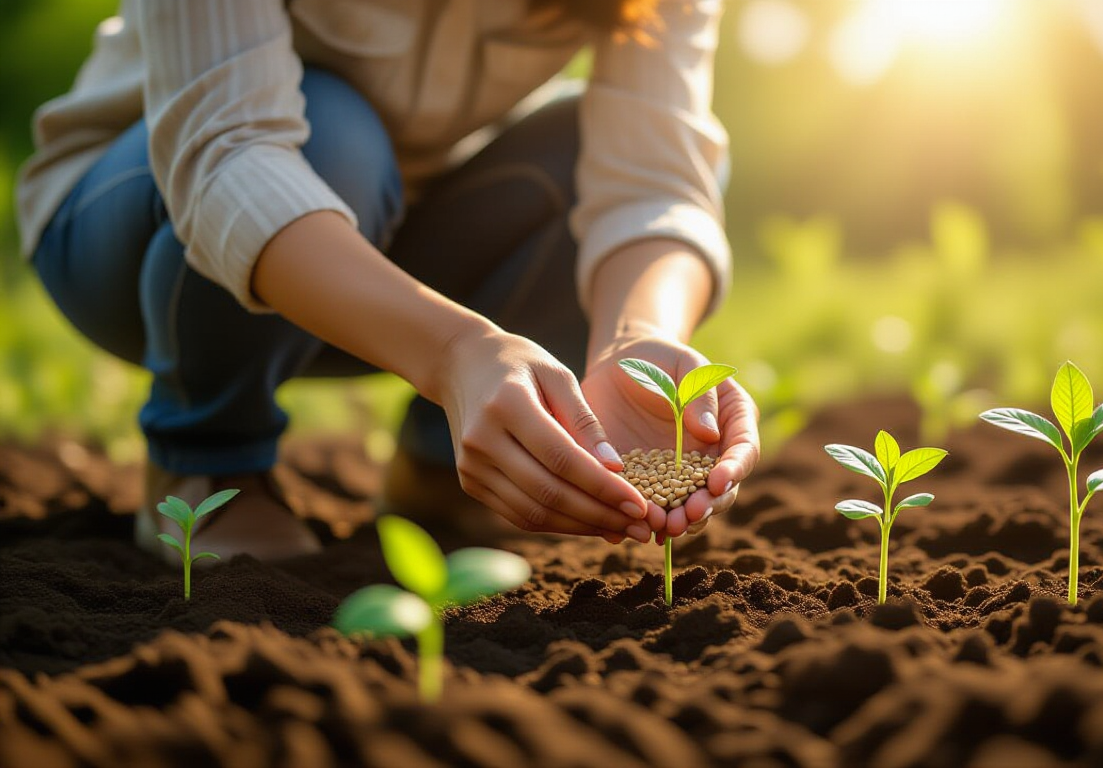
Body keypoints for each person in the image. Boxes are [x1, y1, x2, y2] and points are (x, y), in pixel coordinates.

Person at [15, 0, 759, 560]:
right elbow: (229, 160)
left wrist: (641, 338)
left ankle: (443, 470)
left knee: (573, 146)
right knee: (334, 128)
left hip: (395, 232)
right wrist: (453, 351)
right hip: (140, 232)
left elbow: (657, 182)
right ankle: (204, 460)